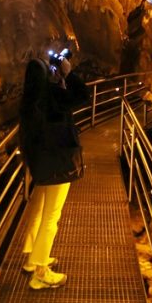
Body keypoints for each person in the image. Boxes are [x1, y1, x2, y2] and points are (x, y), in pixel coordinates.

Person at [18, 50, 88, 290]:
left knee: (38, 209)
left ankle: (32, 257)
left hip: (42, 165)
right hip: (59, 163)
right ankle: (40, 271)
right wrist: (69, 74)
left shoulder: (29, 103)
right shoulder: (53, 97)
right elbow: (82, 96)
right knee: (51, 217)